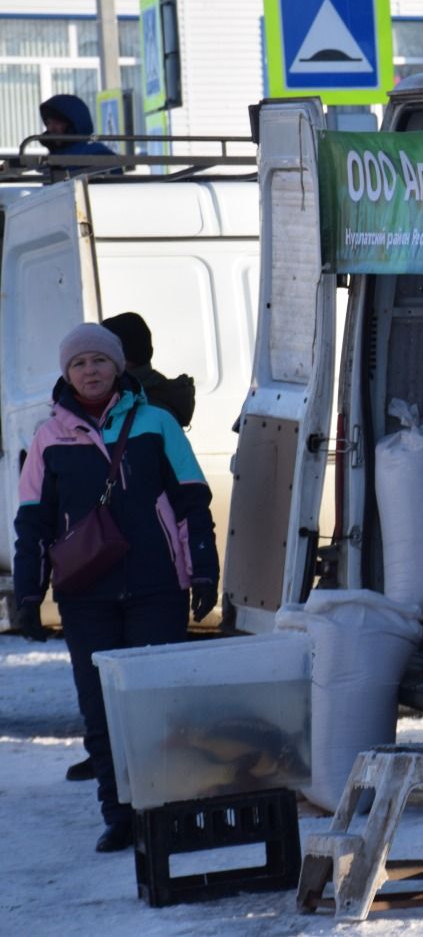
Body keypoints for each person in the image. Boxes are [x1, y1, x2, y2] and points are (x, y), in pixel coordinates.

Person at [12, 323, 219, 852]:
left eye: (98, 362)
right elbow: (32, 522)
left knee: (160, 705)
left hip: (155, 587)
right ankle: (120, 813)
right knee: (101, 709)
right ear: (67, 373)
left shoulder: (157, 424)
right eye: (79, 364)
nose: (90, 371)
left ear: (118, 365)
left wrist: (203, 571)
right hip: (87, 596)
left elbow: (194, 501)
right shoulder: (48, 439)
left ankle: (166, 810)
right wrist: (29, 594)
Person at [101, 312, 196, 426]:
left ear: (123, 359)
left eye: (101, 357)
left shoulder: (144, 408)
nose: (91, 368)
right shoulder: (154, 393)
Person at [39, 94, 117, 172]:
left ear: (73, 124)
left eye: (57, 122)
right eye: (48, 123)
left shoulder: (97, 154)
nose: (50, 128)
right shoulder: (50, 158)